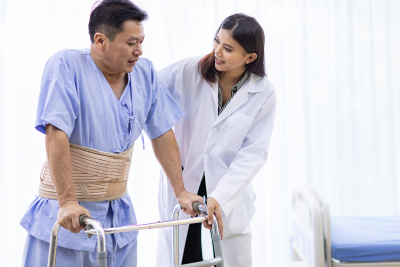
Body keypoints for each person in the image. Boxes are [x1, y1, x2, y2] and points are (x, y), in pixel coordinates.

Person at [19, 1, 202, 266]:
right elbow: (55, 132)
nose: (139, 51)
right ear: (100, 40)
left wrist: (181, 191)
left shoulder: (145, 72)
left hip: (119, 217)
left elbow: (162, 131)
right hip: (70, 215)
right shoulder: (66, 64)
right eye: (131, 43)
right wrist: (68, 201)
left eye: (141, 41)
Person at [156, 13, 277, 267]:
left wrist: (220, 196)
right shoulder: (189, 70)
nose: (217, 51)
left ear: (250, 57)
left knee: (230, 254)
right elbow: (146, 88)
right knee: (184, 256)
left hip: (226, 187)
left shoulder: (262, 92)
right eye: (216, 41)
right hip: (185, 182)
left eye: (228, 48)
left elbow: (253, 153)